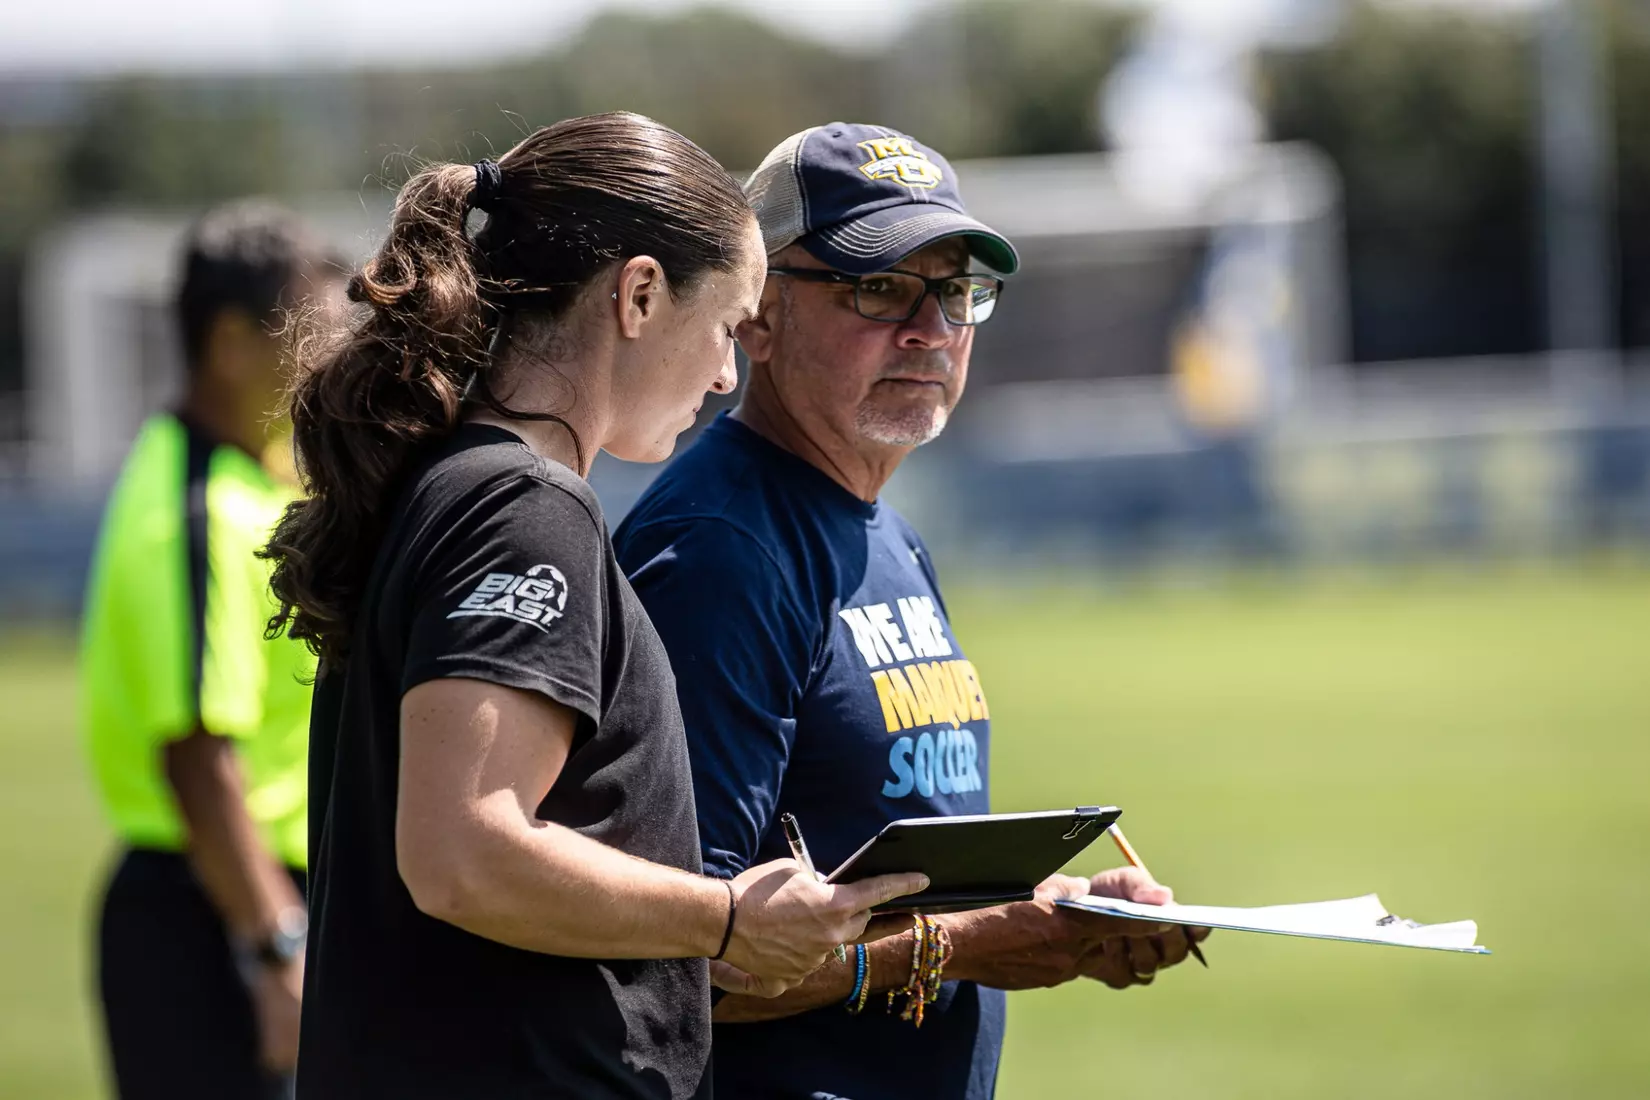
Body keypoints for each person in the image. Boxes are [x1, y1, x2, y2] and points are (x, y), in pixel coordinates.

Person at [258, 113, 925, 1100]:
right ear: (640, 294)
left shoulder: (459, 480)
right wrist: (726, 916)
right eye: (726, 325)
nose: (726, 374)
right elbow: (461, 853)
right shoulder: (527, 505)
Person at [613, 123, 1211, 1099]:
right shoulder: (723, 549)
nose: (931, 329)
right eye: (879, 288)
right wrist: (965, 946)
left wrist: (1058, 909)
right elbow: (672, 957)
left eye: (958, 290)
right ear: (756, 313)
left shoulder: (876, 528)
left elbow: (883, 867)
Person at [80, 199, 345, 1099]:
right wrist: (275, 948)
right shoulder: (194, 513)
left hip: (253, 895)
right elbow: (198, 755)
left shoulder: (250, 473)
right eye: (307, 333)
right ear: (232, 344)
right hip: (216, 913)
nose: (327, 357)